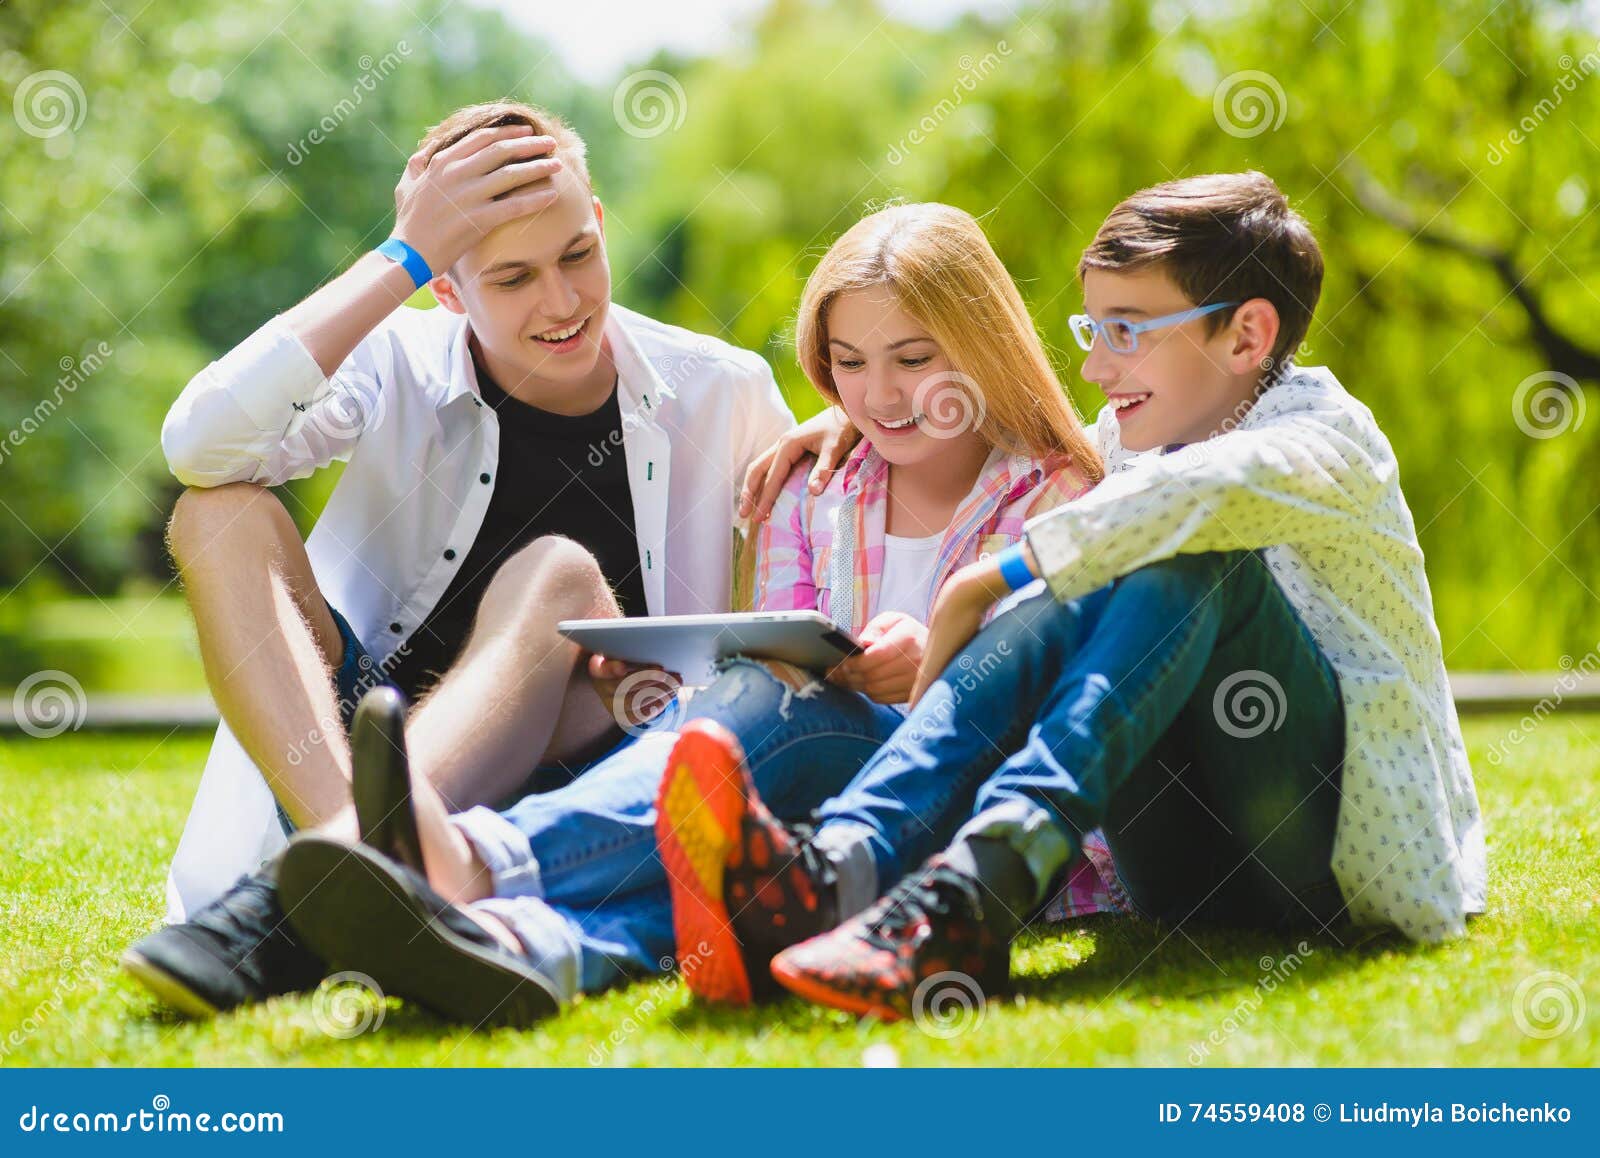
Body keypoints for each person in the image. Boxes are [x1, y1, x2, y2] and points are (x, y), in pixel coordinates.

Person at [659, 171, 1488, 1021]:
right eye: (1095, 329)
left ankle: (966, 896)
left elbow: (1202, 493)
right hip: (1179, 874)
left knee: (1189, 560)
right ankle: (838, 872)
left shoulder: (1328, 437)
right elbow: (1005, 429)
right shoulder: (1131, 446)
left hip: (1329, 860)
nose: (1095, 366)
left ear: (1247, 336)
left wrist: (987, 579)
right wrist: (852, 413)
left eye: (1127, 332)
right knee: (1104, 576)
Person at [271, 201, 1107, 1027]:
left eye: (914, 358)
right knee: (745, 753)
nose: (879, 394)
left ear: (982, 344)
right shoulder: (811, 492)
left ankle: (478, 856)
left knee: (785, 705)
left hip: (948, 816)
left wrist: (935, 664)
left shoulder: (1064, 495)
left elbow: (1068, 717)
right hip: (798, 825)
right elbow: (780, 651)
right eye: (849, 362)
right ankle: (528, 941)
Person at [122, 99, 853, 1017]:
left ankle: (308, 902)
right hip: (357, 749)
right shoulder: (395, 357)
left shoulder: (722, 389)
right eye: (512, 278)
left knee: (559, 573)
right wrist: (399, 254)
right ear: (448, 288)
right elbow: (200, 446)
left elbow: (820, 576)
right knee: (214, 514)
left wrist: (861, 430)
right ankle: (353, 857)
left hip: (581, 759)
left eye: (578, 256)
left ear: (599, 228)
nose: (562, 302)